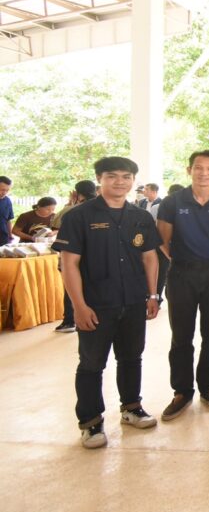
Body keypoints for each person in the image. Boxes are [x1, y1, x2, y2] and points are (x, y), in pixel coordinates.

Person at [52, 156, 161, 449]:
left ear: (133, 181)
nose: (119, 182)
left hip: (134, 301)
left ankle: (131, 407)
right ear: (100, 179)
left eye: (126, 177)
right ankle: (90, 422)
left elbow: (149, 257)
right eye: (112, 176)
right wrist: (79, 306)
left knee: (131, 357)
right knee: (92, 364)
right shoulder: (79, 216)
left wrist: (152, 295)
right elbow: (69, 264)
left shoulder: (140, 217)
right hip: (97, 304)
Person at [157, 150, 209, 421]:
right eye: (199, 167)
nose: (204, 173)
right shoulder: (172, 201)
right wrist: (184, 261)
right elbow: (162, 240)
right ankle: (182, 391)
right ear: (189, 170)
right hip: (181, 272)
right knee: (181, 335)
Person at [52, 180, 98, 333]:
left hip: (73, 256)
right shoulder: (102, 207)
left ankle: (69, 320)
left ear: (77, 193)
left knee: (71, 288)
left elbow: (55, 223)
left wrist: (70, 203)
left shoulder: (73, 210)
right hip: (95, 259)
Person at [0, 176, 12, 245]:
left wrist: (10, 236)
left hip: (3, 238)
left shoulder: (7, 201)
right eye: (2, 190)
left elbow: (8, 220)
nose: (4, 193)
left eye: (7, 190)